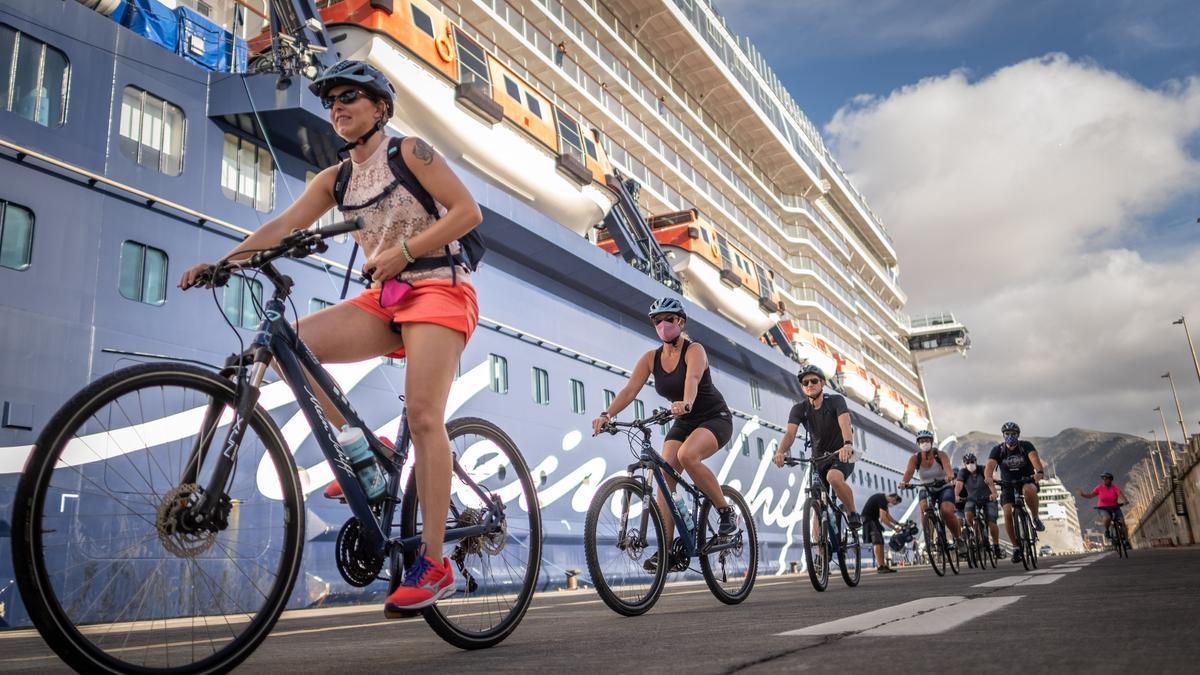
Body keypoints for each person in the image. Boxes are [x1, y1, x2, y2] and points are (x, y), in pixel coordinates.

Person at [179, 60, 483, 615]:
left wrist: (407, 251)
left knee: (424, 415)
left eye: (350, 97)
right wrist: (222, 263)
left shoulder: (408, 152)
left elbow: (468, 211)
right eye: (331, 101)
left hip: (439, 286)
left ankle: (434, 563)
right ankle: (364, 453)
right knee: (287, 342)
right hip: (386, 298)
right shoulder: (336, 178)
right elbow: (282, 226)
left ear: (380, 108)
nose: (337, 106)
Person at [591, 297, 737, 572]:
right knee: (664, 478)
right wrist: (607, 415)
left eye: (667, 319)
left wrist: (687, 402)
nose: (662, 325)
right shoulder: (651, 358)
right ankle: (667, 550)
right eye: (657, 321)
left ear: (679, 322)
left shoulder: (695, 350)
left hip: (712, 417)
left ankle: (725, 511)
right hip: (682, 420)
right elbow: (629, 390)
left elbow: (692, 379)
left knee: (687, 455)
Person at [773, 365, 861, 528]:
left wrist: (847, 445)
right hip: (818, 459)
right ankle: (819, 551)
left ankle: (852, 512)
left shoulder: (836, 401)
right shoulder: (799, 409)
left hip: (840, 454)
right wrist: (780, 452)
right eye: (805, 383)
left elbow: (845, 424)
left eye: (814, 381)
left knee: (833, 477)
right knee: (817, 505)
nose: (809, 385)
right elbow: (790, 434)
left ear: (823, 383)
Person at [985, 421, 1046, 564]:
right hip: (1008, 484)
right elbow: (990, 467)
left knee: (1028, 489)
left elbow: (1035, 460)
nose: (1010, 436)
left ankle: (1035, 518)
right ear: (1003, 436)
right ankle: (1016, 547)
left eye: (1013, 434)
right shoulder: (998, 450)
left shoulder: (1026, 446)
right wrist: (989, 478)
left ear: (1018, 435)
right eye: (1007, 434)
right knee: (1007, 512)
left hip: (1026, 480)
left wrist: (1039, 473)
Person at [899, 429, 962, 547]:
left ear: (932, 442)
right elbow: (909, 471)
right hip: (926, 488)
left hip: (944, 487)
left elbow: (948, 467)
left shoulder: (940, 455)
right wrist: (904, 482)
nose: (924, 443)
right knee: (925, 509)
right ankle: (930, 540)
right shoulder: (915, 458)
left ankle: (958, 538)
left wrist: (949, 476)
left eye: (927, 440)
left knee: (946, 511)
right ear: (918, 443)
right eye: (922, 441)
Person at [955, 452, 1001, 559]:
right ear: (964, 464)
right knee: (968, 514)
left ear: (976, 461)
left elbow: (989, 481)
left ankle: (996, 546)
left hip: (987, 498)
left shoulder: (982, 469)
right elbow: (959, 484)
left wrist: (993, 493)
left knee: (991, 521)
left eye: (972, 462)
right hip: (972, 499)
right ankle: (977, 530)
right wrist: (956, 495)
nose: (970, 464)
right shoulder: (963, 472)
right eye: (967, 462)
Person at [1077, 472, 1128, 548]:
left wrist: (1125, 500)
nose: (1105, 480)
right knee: (1107, 518)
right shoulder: (1099, 488)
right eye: (1104, 479)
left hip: (1115, 507)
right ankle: (1107, 530)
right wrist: (1083, 494)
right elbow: (1091, 495)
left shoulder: (1114, 488)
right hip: (1103, 508)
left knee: (1123, 523)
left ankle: (1126, 541)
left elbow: (1120, 494)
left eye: (1106, 479)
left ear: (1111, 480)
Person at [861, 492, 903, 573]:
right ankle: (880, 566)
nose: (893, 505)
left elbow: (887, 515)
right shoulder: (882, 500)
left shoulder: (883, 500)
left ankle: (883, 565)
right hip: (869, 519)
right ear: (893, 498)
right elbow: (883, 518)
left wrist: (897, 523)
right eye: (894, 503)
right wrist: (894, 528)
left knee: (881, 542)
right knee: (877, 542)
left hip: (873, 519)